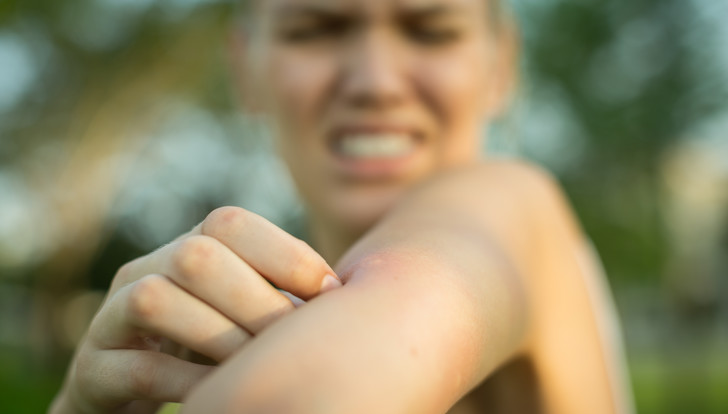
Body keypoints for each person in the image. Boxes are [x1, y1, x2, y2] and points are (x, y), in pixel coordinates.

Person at [50, 0, 635, 412]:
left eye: (431, 28)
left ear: (500, 65)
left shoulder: (515, 208)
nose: (376, 82)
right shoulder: (222, 316)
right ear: (245, 72)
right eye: (315, 28)